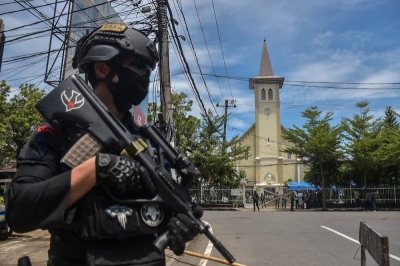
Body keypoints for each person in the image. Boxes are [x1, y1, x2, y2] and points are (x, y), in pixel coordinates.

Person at [5, 23, 201, 266]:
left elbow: (159, 217)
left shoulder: (148, 143)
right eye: (137, 65)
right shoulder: (57, 133)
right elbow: (20, 212)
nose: (144, 78)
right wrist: (97, 169)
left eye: (149, 70)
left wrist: (179, 226)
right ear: (102, 68)